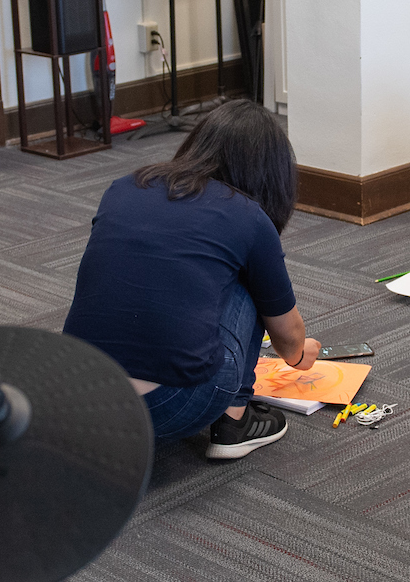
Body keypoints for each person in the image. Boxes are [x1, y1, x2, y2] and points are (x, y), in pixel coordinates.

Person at [64, 102, 317, 459]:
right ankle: (235, 420)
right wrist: (300, 353)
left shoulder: (124, 187)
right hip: (168, 407)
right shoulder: (249, 217)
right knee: (248, 281)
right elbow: (288, 340)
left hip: (73, 399)